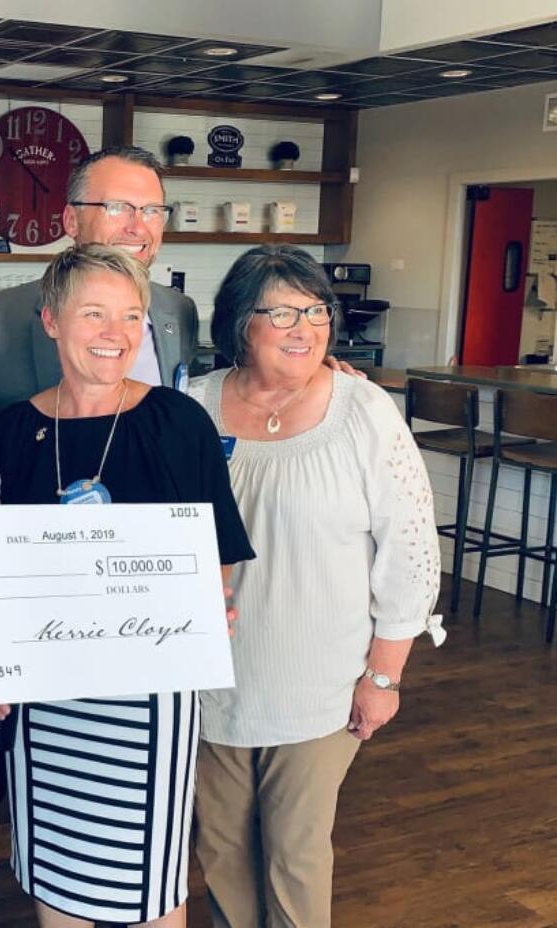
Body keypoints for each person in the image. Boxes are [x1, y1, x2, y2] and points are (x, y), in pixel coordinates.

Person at [0, 243, 256, 928]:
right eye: (95, 314)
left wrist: (207, 608)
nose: (116, 334)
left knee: (151, 888)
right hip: (46, 699)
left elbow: (219, 547)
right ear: (52, 320)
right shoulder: (14, 431)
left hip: (149, 697)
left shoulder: (176, 421)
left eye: (131, 316)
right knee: (58, 884)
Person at [186, 244, 443, 928]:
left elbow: (410, 552)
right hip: (211, 682)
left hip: (320, 685)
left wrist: (383, 679)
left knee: (296, 858)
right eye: (283, 312)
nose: (306, 327)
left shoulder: (363, 411)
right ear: (241, 322)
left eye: (317, 310)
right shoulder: (191, 406)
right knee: (221, 850)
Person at [0, 146, 199, 419]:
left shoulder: (179, 311)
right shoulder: (0, 318)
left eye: (152, 210)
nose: (137, 227)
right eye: (118, 208)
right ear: (72, 221)